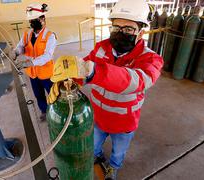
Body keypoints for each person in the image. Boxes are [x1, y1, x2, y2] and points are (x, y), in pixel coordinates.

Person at [48, 0, 163, 179]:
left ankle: (112, 170)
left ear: (141, 32)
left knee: (118, 154)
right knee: (93, 147)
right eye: (116, 27)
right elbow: (83, 69)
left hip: (124, 124)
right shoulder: (101, 47)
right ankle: (97, 157)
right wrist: (68, 81)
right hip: (98, 117)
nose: (120, 33)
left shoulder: (151, 59)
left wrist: (93, 71)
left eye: (128, 29)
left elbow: (137, 81)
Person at [10, 3, 57, 121]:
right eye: (30, 21)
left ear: (42, 19)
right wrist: (16, 52)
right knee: (38, 95)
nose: (32, 23)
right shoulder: (27, 34)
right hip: (32, 73)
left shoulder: (50, 36)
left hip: (46, 73)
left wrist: (30, 62)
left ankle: (57, 113)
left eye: (34, 20)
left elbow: (47, 56)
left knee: (53, 94)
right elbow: (21, 46)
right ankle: (44, 111)